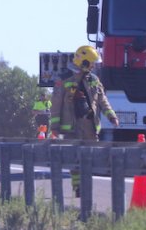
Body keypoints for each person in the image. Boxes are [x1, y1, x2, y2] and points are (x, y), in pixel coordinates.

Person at [49, 45, 119, 197]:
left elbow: (102, 99)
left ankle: (85, 184)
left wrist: (111, 115)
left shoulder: (93, 79)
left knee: (89, 157)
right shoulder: (64, 78)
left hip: (89, 125)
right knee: (73, 157)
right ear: (84, 62)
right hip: (71, 127)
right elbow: (56, 103)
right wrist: (54, 125)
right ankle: (77, 186)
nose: (94, 66)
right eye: (92, 63)